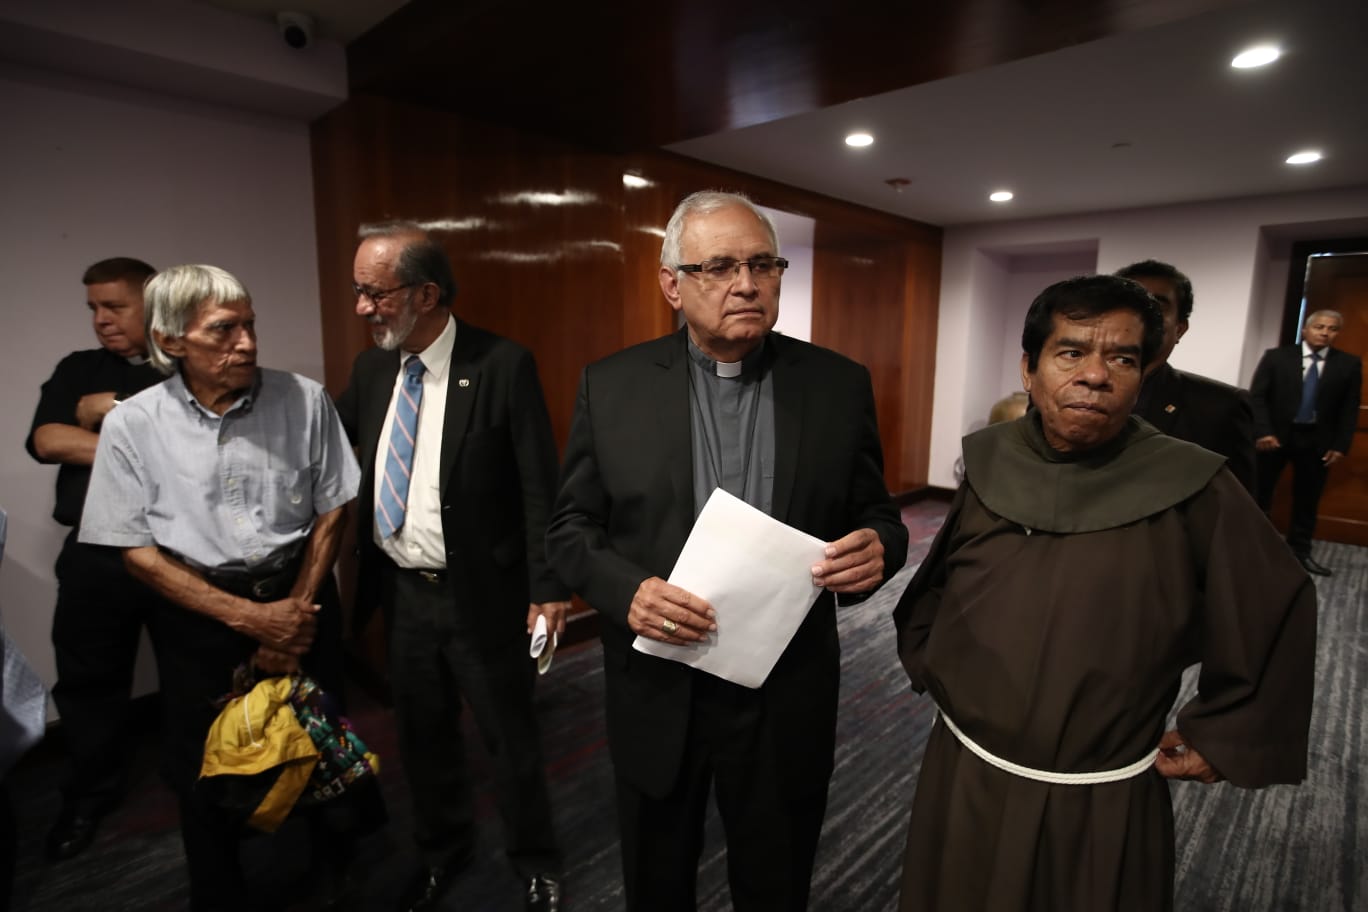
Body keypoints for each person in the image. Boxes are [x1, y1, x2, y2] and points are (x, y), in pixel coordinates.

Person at [892, 274, 1315, 912]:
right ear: (1028, 369)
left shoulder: (1192, 481)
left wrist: (1225, 732)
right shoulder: (991, 460)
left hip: (1098, 790)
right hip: (966, 765)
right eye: (1071, 352)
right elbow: (942, 581)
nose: (1096, 374)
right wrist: (939, 666)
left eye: (1121, 358)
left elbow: (1273, 602)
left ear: (1144, 375)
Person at [546, 190, 907, 911]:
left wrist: (882, 550)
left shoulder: (837, 384)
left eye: (762, 264)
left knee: (776, 881)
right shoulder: (611, 385)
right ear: (672, 284)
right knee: (657, 879)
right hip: (658, 685)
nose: (746, 284)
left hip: (785, 687)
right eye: (718, 267)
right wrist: (627, 591)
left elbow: (877, 514)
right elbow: (570, 529)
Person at [79, 264, 361, 910]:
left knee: (320, 744)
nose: (248, 343)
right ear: (172, 340)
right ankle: (219, 889)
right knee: (201, 767)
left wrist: (293, 615)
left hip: (302, 597)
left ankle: (336, 868)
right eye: (224, 330)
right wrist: (253, 621)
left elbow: (333, 507)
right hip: (197, 614)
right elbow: (137, 554)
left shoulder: (304, 398)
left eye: (250, 325)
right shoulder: (135, 425)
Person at [336, 222, 566, 912]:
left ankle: (535, 859)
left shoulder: (501, 364)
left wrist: (548, 589)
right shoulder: (373, 370)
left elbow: (537, 486)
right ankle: (443, 850)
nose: (362, 308)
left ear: (427, 293)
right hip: (404, 596)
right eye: (358, 292)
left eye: (375, 293)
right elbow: (337, 450)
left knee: (509, 739)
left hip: (484, 599)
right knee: (424, 737)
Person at [24, 256, 164, 860]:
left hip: (176, 550)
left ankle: (212, 784)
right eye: (93, 309)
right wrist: (141, 440)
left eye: (115, 306)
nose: (101, 321)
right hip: (93, 553)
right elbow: (48, 440)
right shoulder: (78, 369)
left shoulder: (186, 366)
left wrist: (108, 412)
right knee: (88, 683)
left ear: (153, 304)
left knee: (199, 675)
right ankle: (88, 797)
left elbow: (197, 446)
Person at [1114, 259, 1257, 494]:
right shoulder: (1066, 389)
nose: (1138, 315)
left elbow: (1240, 511)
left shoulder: (1221, 407)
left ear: (1179, 328)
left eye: (1156, 305)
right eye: (1128, 303)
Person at [1250, 309, 1362, 576]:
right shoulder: (1277, 358)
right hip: (1274, 438)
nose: (1325, 332)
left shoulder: (1348, 364)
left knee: (1307, 501)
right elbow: (1257, 397)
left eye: (1332, 328)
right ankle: (1254, 548)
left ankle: (1300, 552)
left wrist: (1340, 445)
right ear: (1305, 330)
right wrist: (1263, 431)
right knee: (1258, 495)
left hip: (1317, 441)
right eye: (1320, 326)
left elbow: (1350, 408)